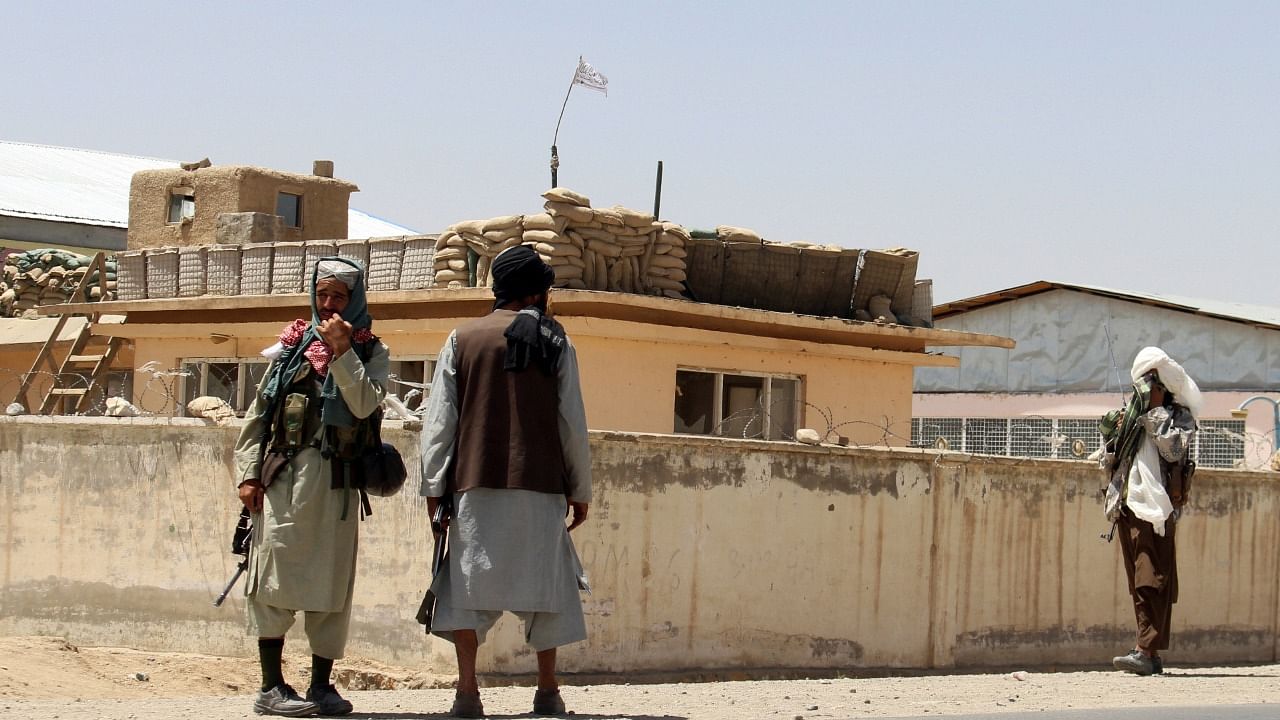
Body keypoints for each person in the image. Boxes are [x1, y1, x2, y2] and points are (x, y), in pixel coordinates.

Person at [420, 245, 592, 718]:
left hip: (475, 486)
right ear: (537, 293)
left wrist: (434, 487)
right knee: (549, 590)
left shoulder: (462, 338)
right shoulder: (557, 340)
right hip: (540, 487)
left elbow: (440, 422)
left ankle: (468, 693)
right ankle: (548, 690)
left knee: (465, 591)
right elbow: (570, 421)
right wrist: (580, 489)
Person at [234, 258, 389, 716]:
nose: (328, 305)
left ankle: (321, 685)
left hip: (338, 486)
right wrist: (247, 473)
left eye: (338, 297)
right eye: (322, 295)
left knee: (332, 585)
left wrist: (342, 351)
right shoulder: (289, 348)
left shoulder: (370, 352)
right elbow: (258, 417)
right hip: (284, 482)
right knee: (273, 578)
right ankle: (271, 686)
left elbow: (363, 406)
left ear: (354, 301)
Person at [1100, 346, 1199, 676]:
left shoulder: (1178, 418)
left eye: (1150, 384)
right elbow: (1110, 463)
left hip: (1157, 508)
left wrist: (1154, 413)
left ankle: (1145, 650)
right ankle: (1149, 651)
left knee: (1152, 579)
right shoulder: (1132, 417)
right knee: (1140, 582)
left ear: (1162, 388)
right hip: (1127, 506)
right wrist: (1111, 435)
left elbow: (1173, 451)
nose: (1143, 390)